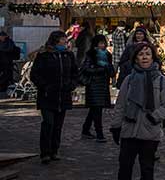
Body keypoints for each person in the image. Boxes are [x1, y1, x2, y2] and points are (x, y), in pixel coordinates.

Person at [110, 42, 165, 180]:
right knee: (125, 168)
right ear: (136, 58)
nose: (144, 57)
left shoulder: (161, 80)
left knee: (147, 169)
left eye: (147, 54)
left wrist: (154, 117)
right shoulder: (129, 80)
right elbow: (121, 105)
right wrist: (116, 126)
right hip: (129, 130)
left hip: (149, 131)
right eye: (141, 54)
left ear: (153, 57)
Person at [31, 31, 79, 164]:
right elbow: (35, 74)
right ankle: (45, 152)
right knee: (48, 123)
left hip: (63, 95)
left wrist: (71, 85)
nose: (65, 42)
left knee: (58, 125)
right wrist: (45, 86)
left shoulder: (68, 55)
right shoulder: (44, 55)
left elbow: (75, 72)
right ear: (56, 41)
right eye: (63, 40)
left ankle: (54, 150)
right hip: (47, 95)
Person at [80, 35, 116, 142]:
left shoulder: (108, 55)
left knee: (95, 109)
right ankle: (99, 133)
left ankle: (86, 129)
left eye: (104, 43)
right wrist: (99, 70)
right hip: (93, 85)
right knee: (97, 109)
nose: (103, 45)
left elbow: (111, 71)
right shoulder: (91, 54)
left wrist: (109, 69)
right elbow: (85, 68)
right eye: (100, 43)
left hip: (103, 85)